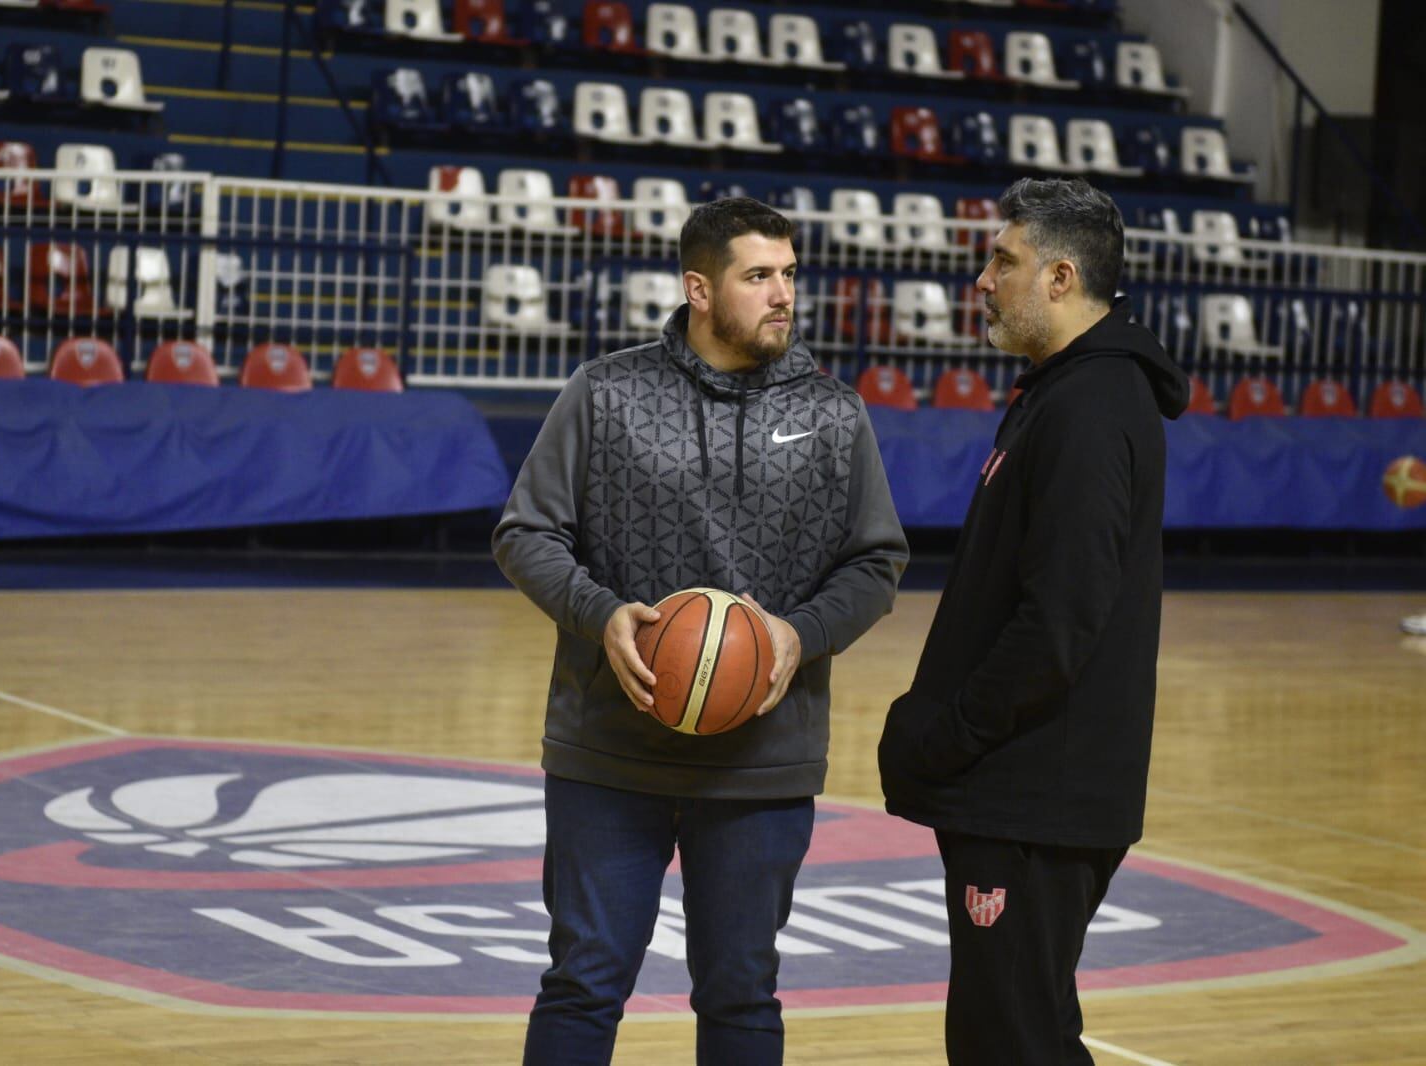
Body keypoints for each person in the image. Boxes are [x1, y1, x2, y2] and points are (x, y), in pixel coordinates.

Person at [494, 196, 908, 1066]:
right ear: (698, 288)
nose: (782, 295)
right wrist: (599, 613)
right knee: (583, 981)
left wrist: (798, 636)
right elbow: (525, 533)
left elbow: (875, 563)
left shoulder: (833, 413)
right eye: (758, 276)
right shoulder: (605, 392)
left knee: (740, 994)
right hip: (608, 747)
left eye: (789, 274)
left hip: (762, 759)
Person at [877, 177, 1189, 1066]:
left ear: (1059, 277)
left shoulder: (1092, 406)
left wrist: (946, 736)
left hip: (1034, 796)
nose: (982, 280)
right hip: (1028, 791)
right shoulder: (1065, 391)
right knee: (1026, 1034)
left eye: (1002, 261)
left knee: (1003, 1041)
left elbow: (1059, 620)